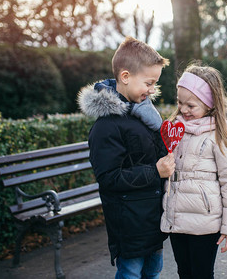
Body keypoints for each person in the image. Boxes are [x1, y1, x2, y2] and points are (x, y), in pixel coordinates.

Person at [77, 36, 175, 279]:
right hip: (129, 222)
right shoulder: (107, 126)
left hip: (151, 216)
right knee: (131, 272)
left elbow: (155, 153)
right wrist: (155, 171)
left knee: (153, 271)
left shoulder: (144, 115)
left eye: (155, 83)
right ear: (125, 77)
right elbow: (109, 177)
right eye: (149, 83)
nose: (153, 90)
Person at [161, 62, 227, 279]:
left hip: (206, 222)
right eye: (180, 103)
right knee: (184, 272)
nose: (183, 109)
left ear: (209, 104)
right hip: (176, 218)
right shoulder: (174, 130)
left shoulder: (220, 135)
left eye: (191, 105)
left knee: (201, 274)